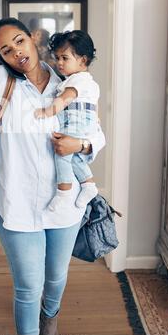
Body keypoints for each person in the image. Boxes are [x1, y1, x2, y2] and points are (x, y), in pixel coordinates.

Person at [0, 17, 105, 335]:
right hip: (16, 204)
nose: (14, 51)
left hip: (64, 204)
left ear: (32, 38)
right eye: (5, 49)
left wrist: (80, 144)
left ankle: (50, 321)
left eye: (18, 41)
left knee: (55, 279)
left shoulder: (68, 81)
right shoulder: (2, 79)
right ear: (1, 57)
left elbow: (95, 134)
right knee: (29, 286)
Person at [34, 30, 100, 211]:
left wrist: (47, 111)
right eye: (57, 58)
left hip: (75, 124)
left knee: (62, 154)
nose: (59, 63)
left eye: (65, 58)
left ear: (82, 60)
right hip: (84, 125)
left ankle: (63, 192)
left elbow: (65, 99)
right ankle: (89, 185)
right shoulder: (85, 81)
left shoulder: (77, 81)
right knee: (76, 158)